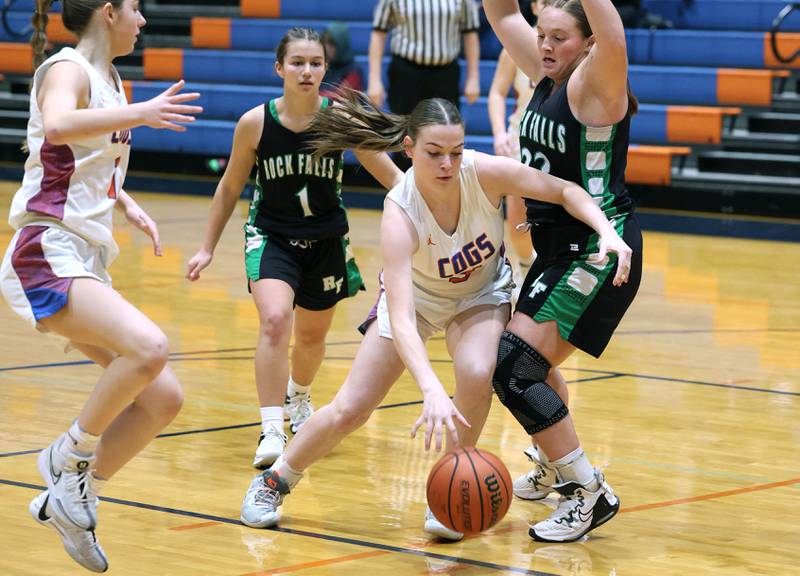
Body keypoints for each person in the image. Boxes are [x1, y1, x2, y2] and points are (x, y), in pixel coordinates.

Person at [237, 92, 633, 543]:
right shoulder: (399, 211)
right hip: (419, 303)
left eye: (456, 151)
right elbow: (403, 319)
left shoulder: (483, 173)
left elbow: (563, 189)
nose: (447, 163)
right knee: (351, 407)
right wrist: (429, 389)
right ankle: (275, 480)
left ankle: (449, 494)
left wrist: (607, 232)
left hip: (479, 295)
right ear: (408, 148)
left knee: (479, 370)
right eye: (434, 153)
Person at [0, 0, 202, 571]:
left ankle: (68, 497)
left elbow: (79, 160)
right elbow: (59, 126)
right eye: (136, 9)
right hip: (46, 249)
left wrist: (127, 202)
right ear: (108, 12)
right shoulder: (67, 70)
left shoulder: (112, 80)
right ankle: (66, 458)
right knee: (150, 346)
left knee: (164, 397)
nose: (143, 21)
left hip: (84, 251)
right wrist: (141, 114)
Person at [185, 28, 399, 471]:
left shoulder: (338, 118)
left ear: (325, 68)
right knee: (276, 320)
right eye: (297, 63)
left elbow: (392, 177)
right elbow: (229, 188)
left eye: (316, 63)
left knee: (311, 338)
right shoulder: (255, 123)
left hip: (325, 239)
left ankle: (298, 395)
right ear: (279, 68)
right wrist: (206, 247)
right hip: (271, 235)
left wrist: (428, 214)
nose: (307, 71)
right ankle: (271, 427)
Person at [484, 0, 643, 542]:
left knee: (513, 366)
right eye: (542, 35)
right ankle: (557, 467)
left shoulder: (596, 82)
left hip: (599, 250)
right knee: (536, 367)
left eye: (560, 37)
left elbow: (613, 29)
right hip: (556, 248)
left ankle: (587, 491)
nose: (546, 46)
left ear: (588, 43)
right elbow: (503, 15)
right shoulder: (549, 70)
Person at [368, 0, 482, 170]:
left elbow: (470, 33)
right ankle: (403, 191)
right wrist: (374, 79)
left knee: (446, 134)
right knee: (403, 136)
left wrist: (473, 77)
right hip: (405, 73)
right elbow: (379, 33)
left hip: (445, 74)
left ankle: (441, 190)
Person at [486, 0, 544, 296]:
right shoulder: (517, 45)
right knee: (517, 219)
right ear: (534, 6)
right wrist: (499, 133)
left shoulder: (574, 46)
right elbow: (496, 92)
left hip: (555, 143)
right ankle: (523, 266)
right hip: (522, 141)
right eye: (545, 1)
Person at [320, 22, 364, 96]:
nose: (326, 47)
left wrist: (314, 99)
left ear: (342, 45)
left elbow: (339, 98)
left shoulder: (354, 71)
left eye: (331, 44)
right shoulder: (324, 66)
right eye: (324, 42)